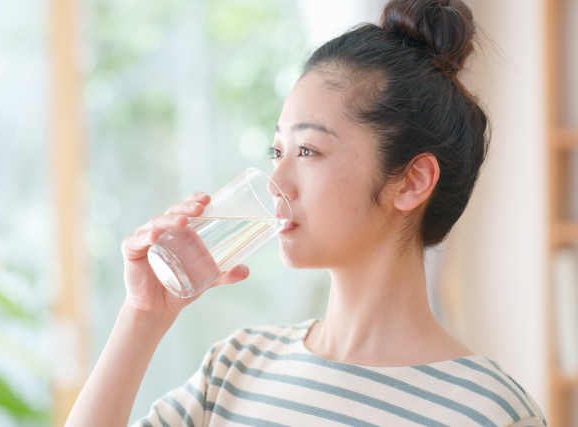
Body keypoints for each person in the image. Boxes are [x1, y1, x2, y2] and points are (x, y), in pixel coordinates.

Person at [65, 0, 547, 425]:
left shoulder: (489, 411)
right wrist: (144, 316)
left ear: (412, 181)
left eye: (310, 151)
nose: (277, 183)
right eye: (278, 152)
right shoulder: (237, 366)